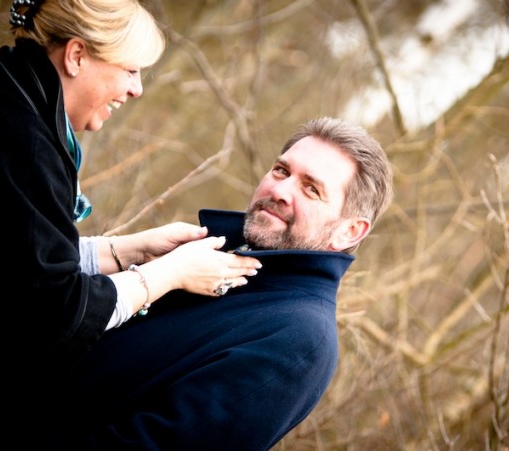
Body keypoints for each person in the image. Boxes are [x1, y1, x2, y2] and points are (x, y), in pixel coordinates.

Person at [0, 0, 260, 446]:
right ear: (77, 56)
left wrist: (124, 250)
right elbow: (55, 314)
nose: (137, 89)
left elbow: (3, 258)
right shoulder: (22, 138)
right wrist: (167, 275)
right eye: (131, 70)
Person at [45, 116, 394, 450]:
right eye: (281, 170)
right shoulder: (202, 259)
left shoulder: (301, 341)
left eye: (311, 189)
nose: (281, 190)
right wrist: (126, 255)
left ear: (350, 230)